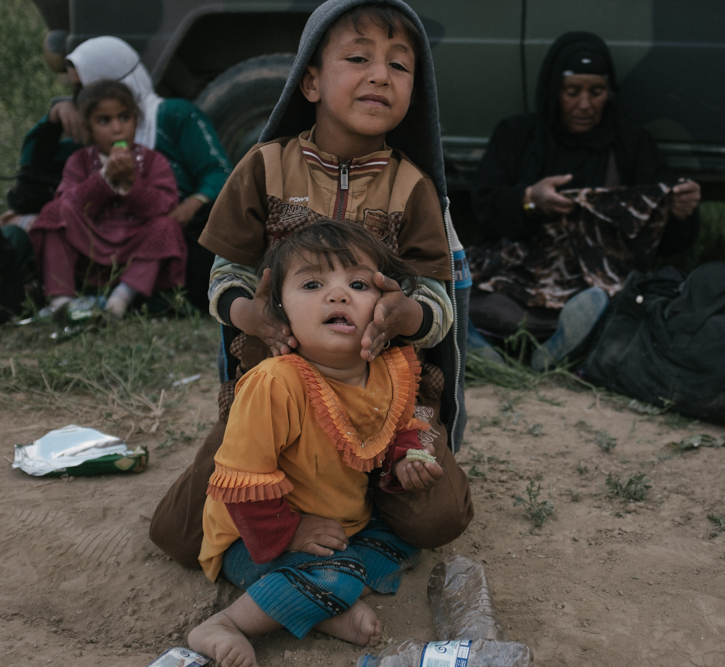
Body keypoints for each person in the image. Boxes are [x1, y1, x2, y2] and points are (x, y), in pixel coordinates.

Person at [148, 0, 473, 570]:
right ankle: (301, 512)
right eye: (358, 57)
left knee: (439, 519)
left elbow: (439, 304)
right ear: (311, 81)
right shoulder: (266, 167)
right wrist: (251, 315)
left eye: (400, 66)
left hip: (387, 400)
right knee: (179, 534)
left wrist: (406, 316)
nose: (380, 75)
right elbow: (225, 276)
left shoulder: (412, 187)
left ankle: (367, 489)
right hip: (277, 394)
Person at [189, 220, 437, 664]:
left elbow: (398, 431)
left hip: (342, 527)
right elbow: (244, 486)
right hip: (255, 537)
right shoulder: (274, 382)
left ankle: (318, 608)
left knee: (402, 543)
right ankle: (226, 623)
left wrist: (405, 461)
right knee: (335, 579)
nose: (338, 295)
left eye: (358, 284)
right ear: (280, 313)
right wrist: (293, 532)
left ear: (386, 309)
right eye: (312, 284)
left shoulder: (388, 372)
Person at [468, 31, 702, 370]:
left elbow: (665, 238)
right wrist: (529, 200)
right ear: (553, 91)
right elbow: (484, 211)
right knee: (465, 291)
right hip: (522, 272)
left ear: (610, 92)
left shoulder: (630, 144)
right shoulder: (517, 136)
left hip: (593, 278)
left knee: (614, 301)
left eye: (597, 91)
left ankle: (528, 342)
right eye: (571, 91)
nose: (585, 104)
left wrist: (681, 211)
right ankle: (498, 342)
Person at [2, 36, 231, 313]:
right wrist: (52, 120)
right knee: (52, 214)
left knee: (193, 244)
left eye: (80, 87)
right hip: (98, 235)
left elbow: (219, 173)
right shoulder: (91, 139)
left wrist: (188, 205)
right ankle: (64, 296)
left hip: (168, 228)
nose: (76, 97)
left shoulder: (174, 116)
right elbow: (35, 173)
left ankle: (127, 298)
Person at [28, 80, 186, 318]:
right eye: (104, 121)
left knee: (167, 227)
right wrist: (104, 179)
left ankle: (120, 300)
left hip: (135, 244)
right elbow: (69, 204)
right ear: (88, 128)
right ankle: (61, 301)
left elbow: (164, 207)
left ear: (136, 120)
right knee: (54, 211)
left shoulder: (153, 161)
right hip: (89, 241)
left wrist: (131, 183)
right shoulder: (79, 161)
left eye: (124, 117)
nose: (117, 129)